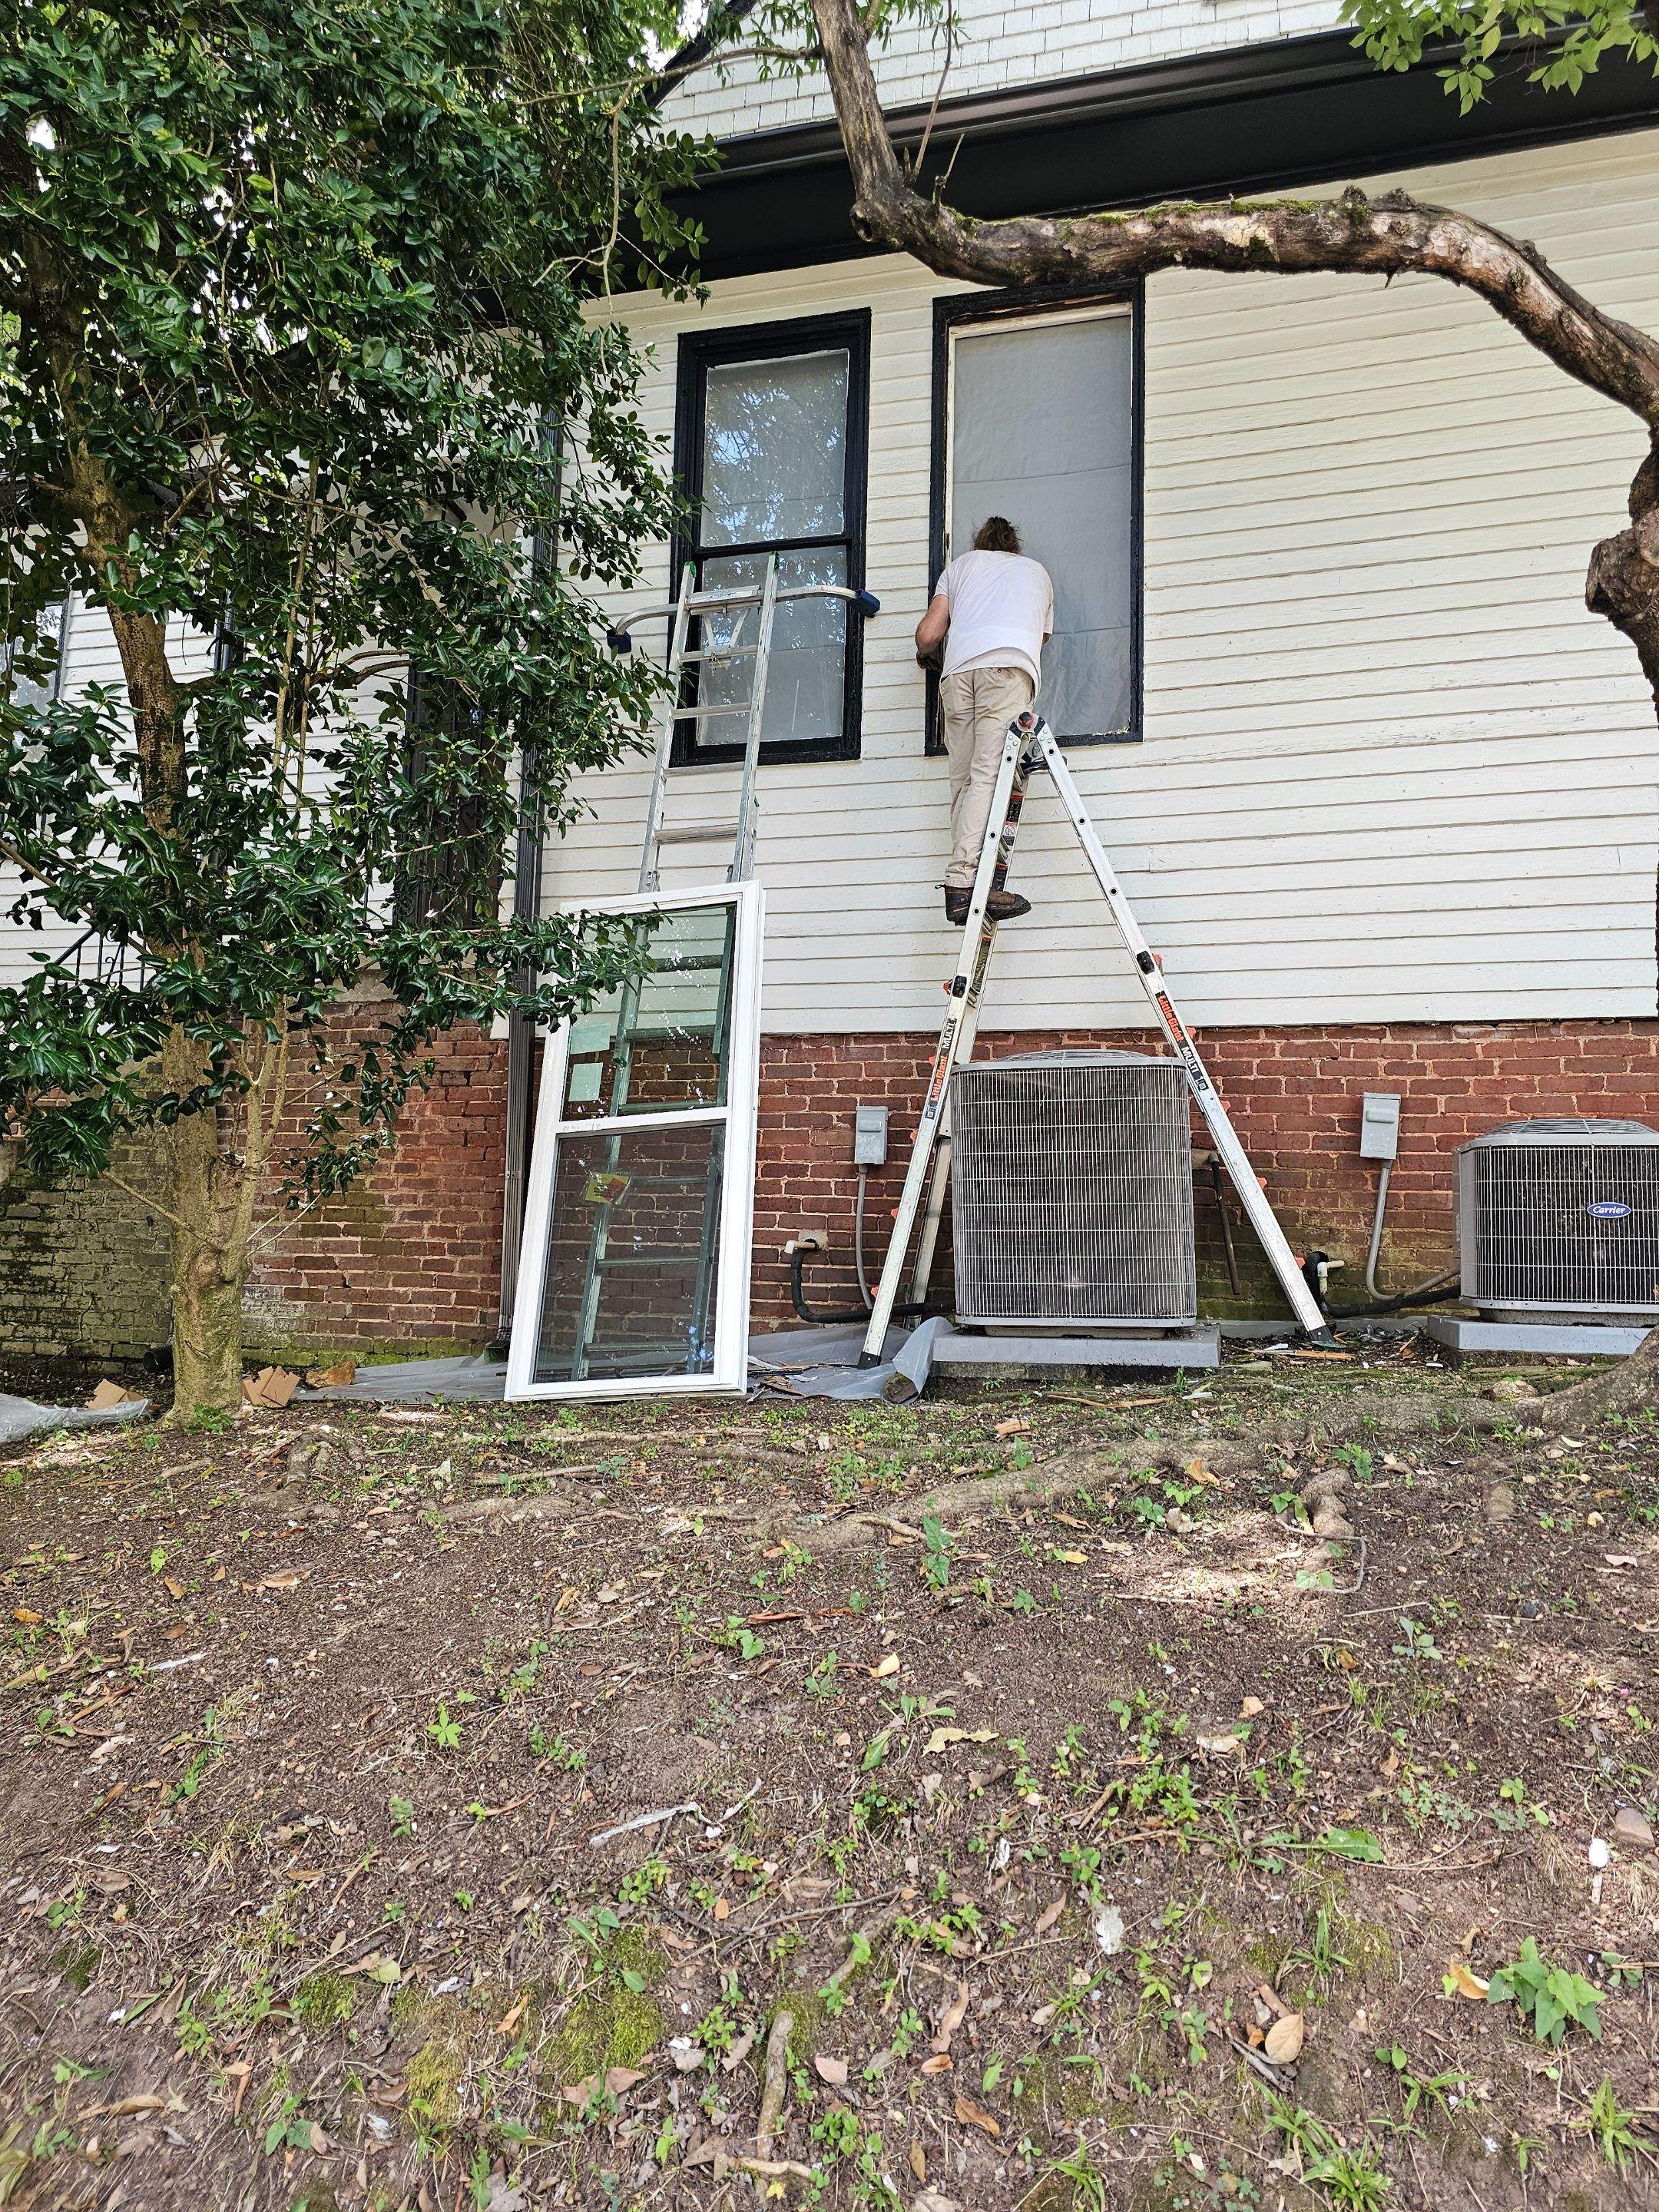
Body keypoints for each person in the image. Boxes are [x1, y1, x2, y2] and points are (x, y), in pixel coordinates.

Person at [915, 515, 1053, 924]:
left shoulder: (959, 567)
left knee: (964, 779)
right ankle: (964, 882)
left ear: (980, 542)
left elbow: (928, 635)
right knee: (989, 776)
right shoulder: (1037, 573)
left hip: (957, 676)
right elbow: (1038, 637)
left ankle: (961, 888)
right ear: (1015, 546)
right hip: (1007, 670)